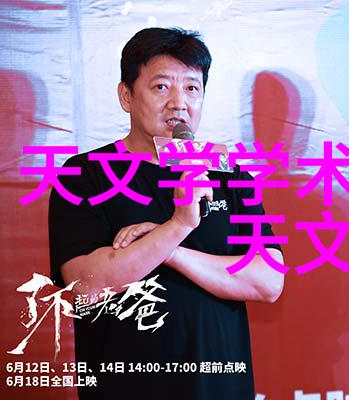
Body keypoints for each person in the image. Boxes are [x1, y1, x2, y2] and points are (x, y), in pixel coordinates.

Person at [48, 27, 284, 400]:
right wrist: (178, 225)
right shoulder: (85, 174)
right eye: (161, 87)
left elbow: (268, 282)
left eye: (192, 88)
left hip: (220, 387)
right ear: (126, 95)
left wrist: (171, 251)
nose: (179, 103)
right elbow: (86, 287)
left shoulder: (228, 173)